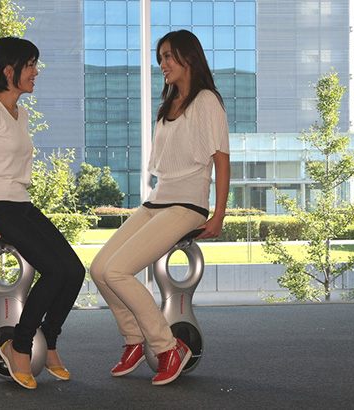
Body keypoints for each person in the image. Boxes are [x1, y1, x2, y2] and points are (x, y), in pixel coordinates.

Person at [90, 30, 230, 386]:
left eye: (168, 56)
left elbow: (222, 160)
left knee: (118, 270)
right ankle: (134, 339)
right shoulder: (168, 106)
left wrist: (218, 214)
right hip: (157, 199)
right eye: (160, 58)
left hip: (187, 203)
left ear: (189, 57)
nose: (162, 64)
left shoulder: (207, 101)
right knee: (100, 269)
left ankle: (168, 348)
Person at [0, 37, 85, 390]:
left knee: (74, 271)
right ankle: (18, 347)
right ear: (9, 70)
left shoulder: (21, 114)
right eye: (30, 65)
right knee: (54, 271)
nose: (36, 72)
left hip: (21, 202)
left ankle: (48, 343)